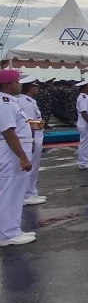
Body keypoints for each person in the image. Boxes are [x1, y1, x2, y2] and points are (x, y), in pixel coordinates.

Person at [0, 69, 35, 246]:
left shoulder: (11, 102)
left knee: (13, 191)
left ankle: (11, 229)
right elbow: (8, 132)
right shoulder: (6, 103)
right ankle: (7, 234)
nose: (19, 84)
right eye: (16, 81)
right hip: (10, 152)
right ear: (6, 85)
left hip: (12, 151)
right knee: (10, 192)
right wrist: (22, 157)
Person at [18, 76, 46, 206]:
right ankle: (28, 195)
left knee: (32, 168)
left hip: (32, 136)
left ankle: (31, 193)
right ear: (29, 88)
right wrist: (33, 140)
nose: (37, 89)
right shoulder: (27, 102)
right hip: (31, 137)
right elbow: (29, 123)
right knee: (31, 168)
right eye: (35, 86)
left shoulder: (25, 100)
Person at [75, 80, 88, 170]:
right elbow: (84, 111)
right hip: (85, 122)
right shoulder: (83, 97)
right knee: (85, 143)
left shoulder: (85, 97)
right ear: (85, 87)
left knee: (86, 142)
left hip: (84, 122)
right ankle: (83, 162)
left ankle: (84, 160)